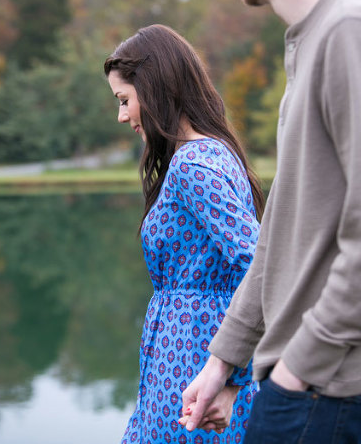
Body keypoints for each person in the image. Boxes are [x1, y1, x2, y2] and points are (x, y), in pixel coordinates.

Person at [181, 0, 361, 440]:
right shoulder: (312, 40)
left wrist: (295, 369)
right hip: (302, 387)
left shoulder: (347, 33)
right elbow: (278, 236)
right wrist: (221, 363)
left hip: (326, 392)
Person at [104, 24, 264, 442]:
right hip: (186, 357)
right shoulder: (212, 152)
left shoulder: (193, 165)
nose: (121, 115)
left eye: (124, 101)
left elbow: (260, 265)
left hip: (192, 361)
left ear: (153, 88)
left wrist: (231, 377)